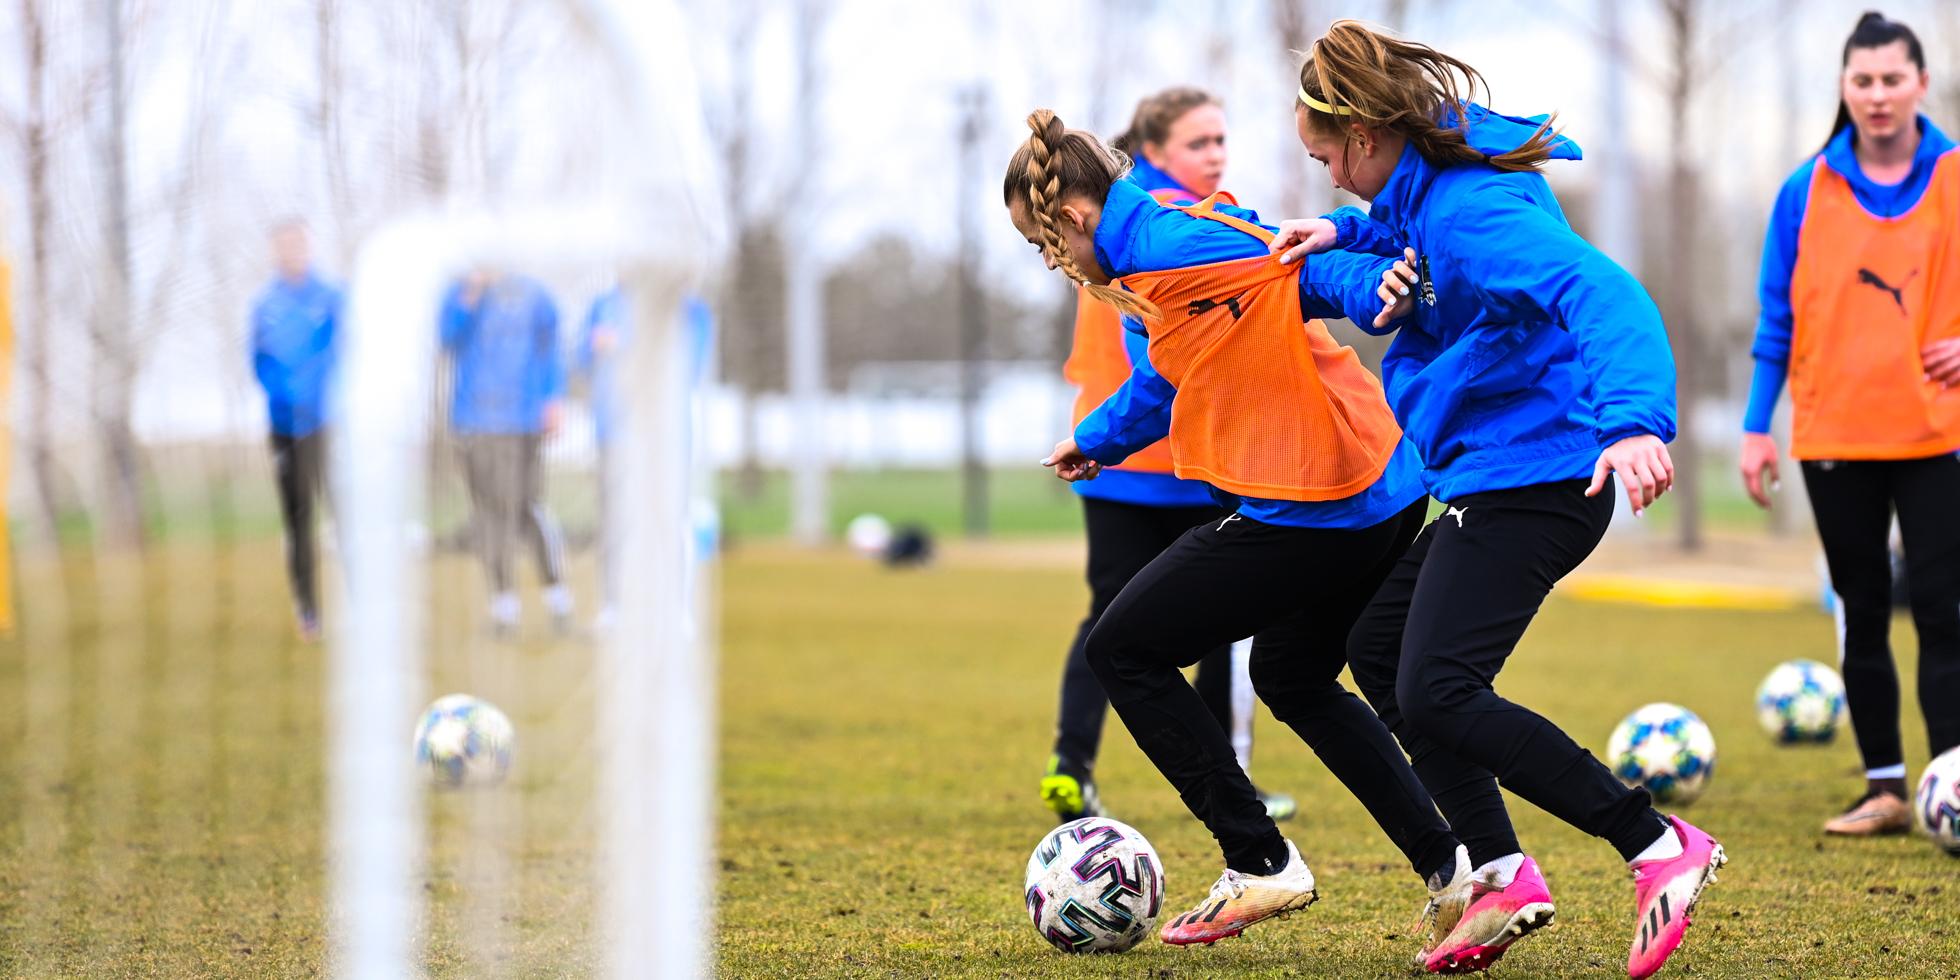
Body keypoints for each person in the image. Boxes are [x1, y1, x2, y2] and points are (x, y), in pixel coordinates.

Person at [1271, 22, 1722, 979]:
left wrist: (1635, 421)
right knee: (1381, 652)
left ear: (1363, 135)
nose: (1333, 181)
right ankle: (1503, 872)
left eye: (1329, 164)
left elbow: (1603, 292)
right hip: (1497, 472)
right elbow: (1404, 231)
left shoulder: (1471, 211)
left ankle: (1654, 844)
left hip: (1546, 477)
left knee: (1437, 686)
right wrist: (1344, 232)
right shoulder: (1427, 189)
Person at [1016, 109, 1477, 957]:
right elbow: (1165, 374)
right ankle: (1453, 872)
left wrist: (1369, 292)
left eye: (1047, 247)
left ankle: (1258, 858)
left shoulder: (1177, 243)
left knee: (1122, 648)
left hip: (1323, 498)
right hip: (1376, 491)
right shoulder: (1136, 275)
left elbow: (1295, 263)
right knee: (1292, 675)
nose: (1054, 266)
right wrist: (1097, 440)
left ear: (1074, 218)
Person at [1045, 86, 1294, 826]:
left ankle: (1071, 762)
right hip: (1177, 449)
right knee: (1215, 620)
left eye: (1221, 141)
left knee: (1110, 620)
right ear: (1151, 152)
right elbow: (1163, 370)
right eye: (1198, 143)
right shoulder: (1174, 227)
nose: (1215, 155)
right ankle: (1227, 782)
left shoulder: (1111, 221)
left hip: (1113, 449)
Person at [1740, 12, 1960, 838]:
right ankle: (1886, 790)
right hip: (1834, 439)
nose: (1877, 95)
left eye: (1891, 79)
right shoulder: (1804, 190)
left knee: (1944, 612)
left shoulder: (1955, 178)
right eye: (1862, 80)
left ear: (1920, 84)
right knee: (1861, 611)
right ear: (1845, 88)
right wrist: (1759, 428)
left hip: (1940, 437)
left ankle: (1951, 779)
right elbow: (1774, 322)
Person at [441, 269, 572, 635]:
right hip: (476, 422)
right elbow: (446, 337)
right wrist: (470, 294)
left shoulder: (534, 290)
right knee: (489, 513)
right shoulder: (461, 290)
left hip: (524, 420)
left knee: (527, 507)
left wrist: (553, 398)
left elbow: (551, 347)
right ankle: (504, 609)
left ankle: (558, 600)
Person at [251, 219, 340, 643]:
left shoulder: (332, 297)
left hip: (330, 426)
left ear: (308, 247)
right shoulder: (264, 304)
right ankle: (308, 611)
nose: (291, 250)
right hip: (285, 427)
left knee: (345, 515)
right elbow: (260, 362)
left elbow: (349, 352)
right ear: (275, 251)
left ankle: (357, 606)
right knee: (299, 520)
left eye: (297, 243)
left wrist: (329, 401)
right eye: (282, 244)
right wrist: (286, 398)